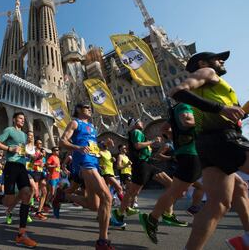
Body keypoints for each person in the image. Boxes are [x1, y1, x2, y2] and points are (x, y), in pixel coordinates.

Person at [171, 51, 249, 249]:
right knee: (220, 202)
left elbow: (234, 115)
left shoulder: (213, 87)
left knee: (218, 204)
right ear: (203, 62)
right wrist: (221, 109)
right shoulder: (206, 72)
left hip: (207, 142)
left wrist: (235, 111)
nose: (221, 61)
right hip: (225, 138)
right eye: (218, 58)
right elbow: (178, 91)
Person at [139, 102, 203, 244]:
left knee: (183, 190)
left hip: (193, 155)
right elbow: (186, 121)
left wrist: (175, 136)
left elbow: (164, 128)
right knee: (175, 191)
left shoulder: (179, 110)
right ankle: (152, 219)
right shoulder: (185, 105)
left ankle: (189, 209)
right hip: (189, 155)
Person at [54, 103, 114, 250]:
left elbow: (92, 145)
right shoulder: (75, 123)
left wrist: (103, 145)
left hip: (94, 162)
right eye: (86, 107)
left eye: (90, 107)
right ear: (79, 110)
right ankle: (102, 242)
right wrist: (77, 148)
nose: (90, 109)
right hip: (84, 162)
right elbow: (62, 141)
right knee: (107, 198)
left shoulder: (92, 127)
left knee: (94, 206)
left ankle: (63, 195)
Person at [112, 118, 187, 228]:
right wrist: (153, 141)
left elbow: (140, 148)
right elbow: (137, 145)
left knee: (171, 185)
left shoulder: (140, 133)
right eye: (139, 121)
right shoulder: (136, 132)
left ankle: (168, 214)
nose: (142, 123)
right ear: (135, 124)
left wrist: (150, 149)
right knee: (132, 192)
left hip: (148, 164)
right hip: (141, 165)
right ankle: (118, 214)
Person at [0, 112, 36, 248]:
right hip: (11, 166)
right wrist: (9, 148)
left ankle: (21, 234)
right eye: (20, 118)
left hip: (22, 166)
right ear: (14, 119)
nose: (22, 121)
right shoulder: (9, 130)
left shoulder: (24, 135)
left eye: (24, 119)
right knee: (9, 202)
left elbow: (23, 151)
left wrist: (31, 155)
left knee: (27, 193)